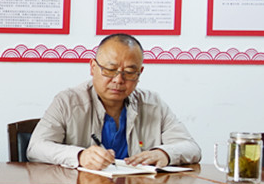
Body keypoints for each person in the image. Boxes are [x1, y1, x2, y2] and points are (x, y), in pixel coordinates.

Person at [27, 33, 201, 169]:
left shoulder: (153, 104)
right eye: (110, 70)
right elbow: (36, 148)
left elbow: (191, 147)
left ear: (140, 73)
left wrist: (165, 153)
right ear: (93, 67)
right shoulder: (68, 102)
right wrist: (80, 156)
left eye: (129, 72)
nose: (118, 80)